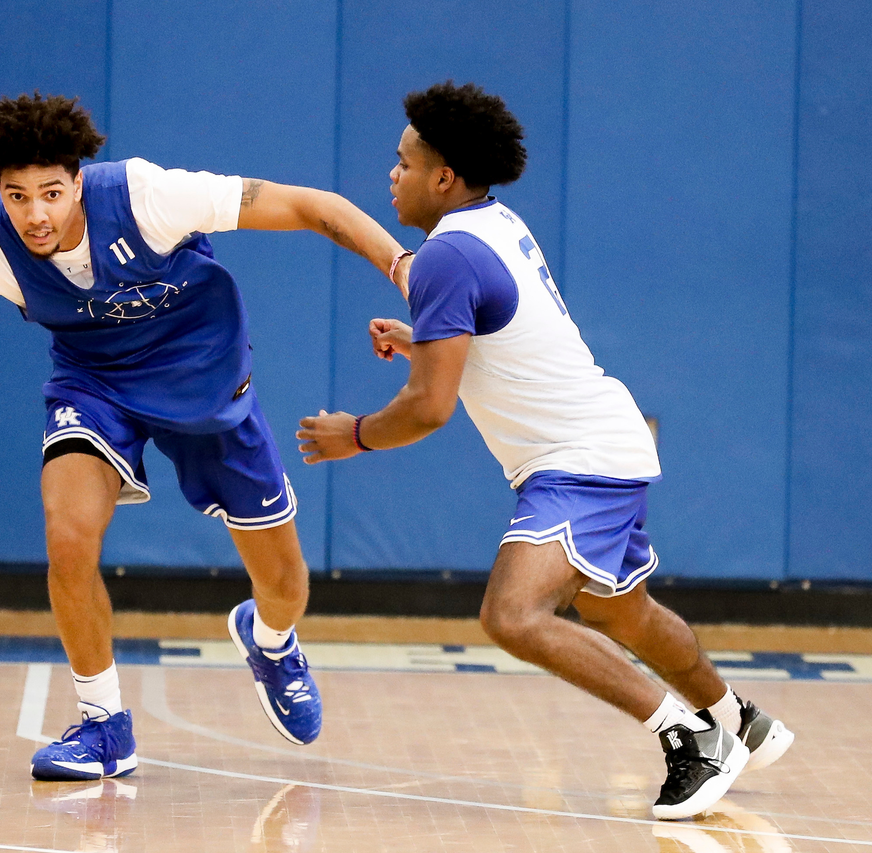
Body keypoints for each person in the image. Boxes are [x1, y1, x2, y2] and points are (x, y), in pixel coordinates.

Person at [0, 92, 411, 781]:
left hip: (203, 379)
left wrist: (407, 268)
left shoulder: (148, 196)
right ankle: (105, 724)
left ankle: (272, 639)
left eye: (51, 192)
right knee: (67, 531)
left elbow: (316, 208)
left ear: (79, 180)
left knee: (284, 583)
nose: (35, 213)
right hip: (95, 386)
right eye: (17, 196)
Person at [296, 81, 793, 820]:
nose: (391, 175)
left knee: (512, 614)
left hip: (578, 458)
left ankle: (690, 739)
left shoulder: (445, 258)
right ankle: (736, 715)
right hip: (604, 442)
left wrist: (355, 435)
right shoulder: (490, 224)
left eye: (404, 162)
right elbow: (492, 332)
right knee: (623, 612)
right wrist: (421, 338)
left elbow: (429, 407)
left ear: (444, 177)